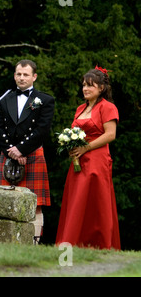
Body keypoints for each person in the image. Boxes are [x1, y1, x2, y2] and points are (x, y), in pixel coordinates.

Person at [56, 66, 120, 250]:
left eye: (90, 85)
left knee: (96, 202)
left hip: (97, 161)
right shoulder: (79, 109)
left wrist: (86, 148)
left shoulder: (108, 107)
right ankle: (71, 243)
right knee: (76, 200)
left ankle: (99, 244)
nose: (85, 89)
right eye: (84, 85)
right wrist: (71, 147)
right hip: (79, 161)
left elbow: (110, 135)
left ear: (101, 88)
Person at [0, 59, 55, 243]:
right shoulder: (4, 99)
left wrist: (21, 150)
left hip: (32, 154)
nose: (21, 78)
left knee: (35, 204)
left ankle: (33, 241)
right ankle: (4, 240)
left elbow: (42, 130)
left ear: (34, 76)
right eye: (18, 74)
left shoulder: (44, 100)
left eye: (26, 74)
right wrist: (10, 152)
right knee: (4, 201)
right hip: (8, 155)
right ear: (14, 75)